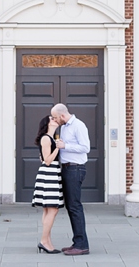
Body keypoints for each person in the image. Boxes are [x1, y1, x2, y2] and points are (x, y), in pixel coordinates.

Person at [50, 103, 90, 256]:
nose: (54, 120)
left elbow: (85, 147)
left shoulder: (79, 125)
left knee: (74, 206)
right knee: (71, 206)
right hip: (67, 168)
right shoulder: (64, 126)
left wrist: (65, 145)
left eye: (55, 117)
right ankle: (77, 242)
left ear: (62, 115)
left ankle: (81, 245)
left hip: (75, 169)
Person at [31, 115, 64, 254]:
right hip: (49, 173)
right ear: (47, 123)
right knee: (53, 209)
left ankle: (47, 241)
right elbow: (47, 160)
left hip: (52, 173)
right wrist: (58, 148)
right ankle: (44, 241)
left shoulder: (51, 137)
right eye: (52, 119)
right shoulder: (46, 138)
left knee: (48, 210)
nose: (55, 120)